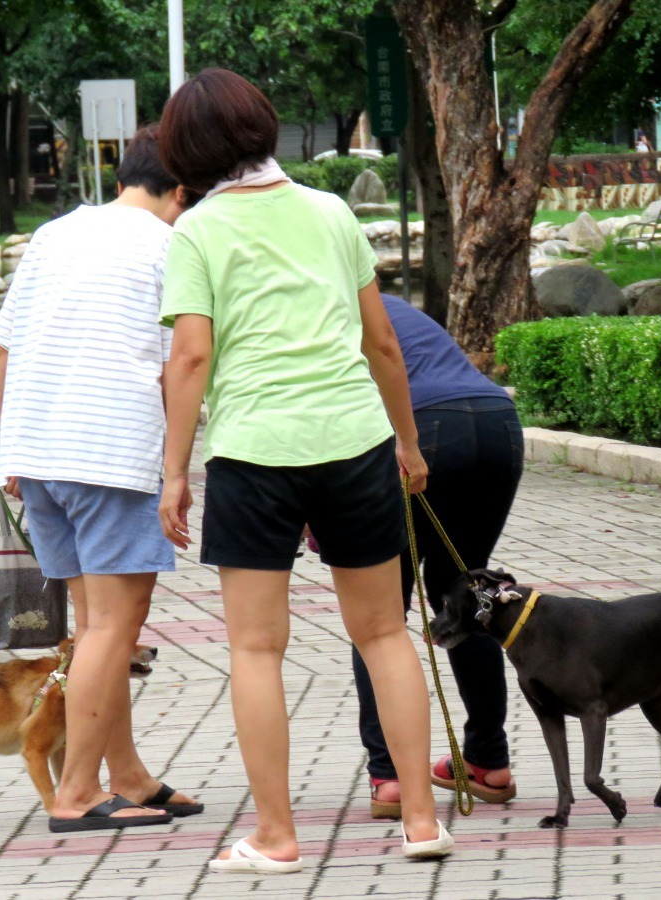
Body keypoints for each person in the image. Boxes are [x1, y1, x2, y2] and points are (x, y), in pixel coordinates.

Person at [156, 68, 454, 872]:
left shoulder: (198, 231)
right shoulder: (331, 213)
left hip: (255, 451)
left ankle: (277, 837)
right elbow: (381, 343)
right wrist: (408, 443)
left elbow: (189, 357)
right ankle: (422, 823)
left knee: (257, 651)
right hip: (355, 441)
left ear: (188, 149)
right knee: (385, 633)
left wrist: (174, 471)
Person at [0, 127, 203, 831]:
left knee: (97, 632)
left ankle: (130, 778)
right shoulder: (168, 246)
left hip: (41, 460)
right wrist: (176, 470)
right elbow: (184, 364)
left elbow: (4, 346)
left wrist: (11, 451)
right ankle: (77, 794)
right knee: (114, 630)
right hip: (110, 457)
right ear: (179, 192)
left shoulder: (53, 235)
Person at [351, 294, 524, 820]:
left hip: (424, 429)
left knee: (377, 613)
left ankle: (390, 777)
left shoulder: (314, 304)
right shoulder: (385, 298)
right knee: (462, 592)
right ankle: (488, 762)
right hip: (497, 421)